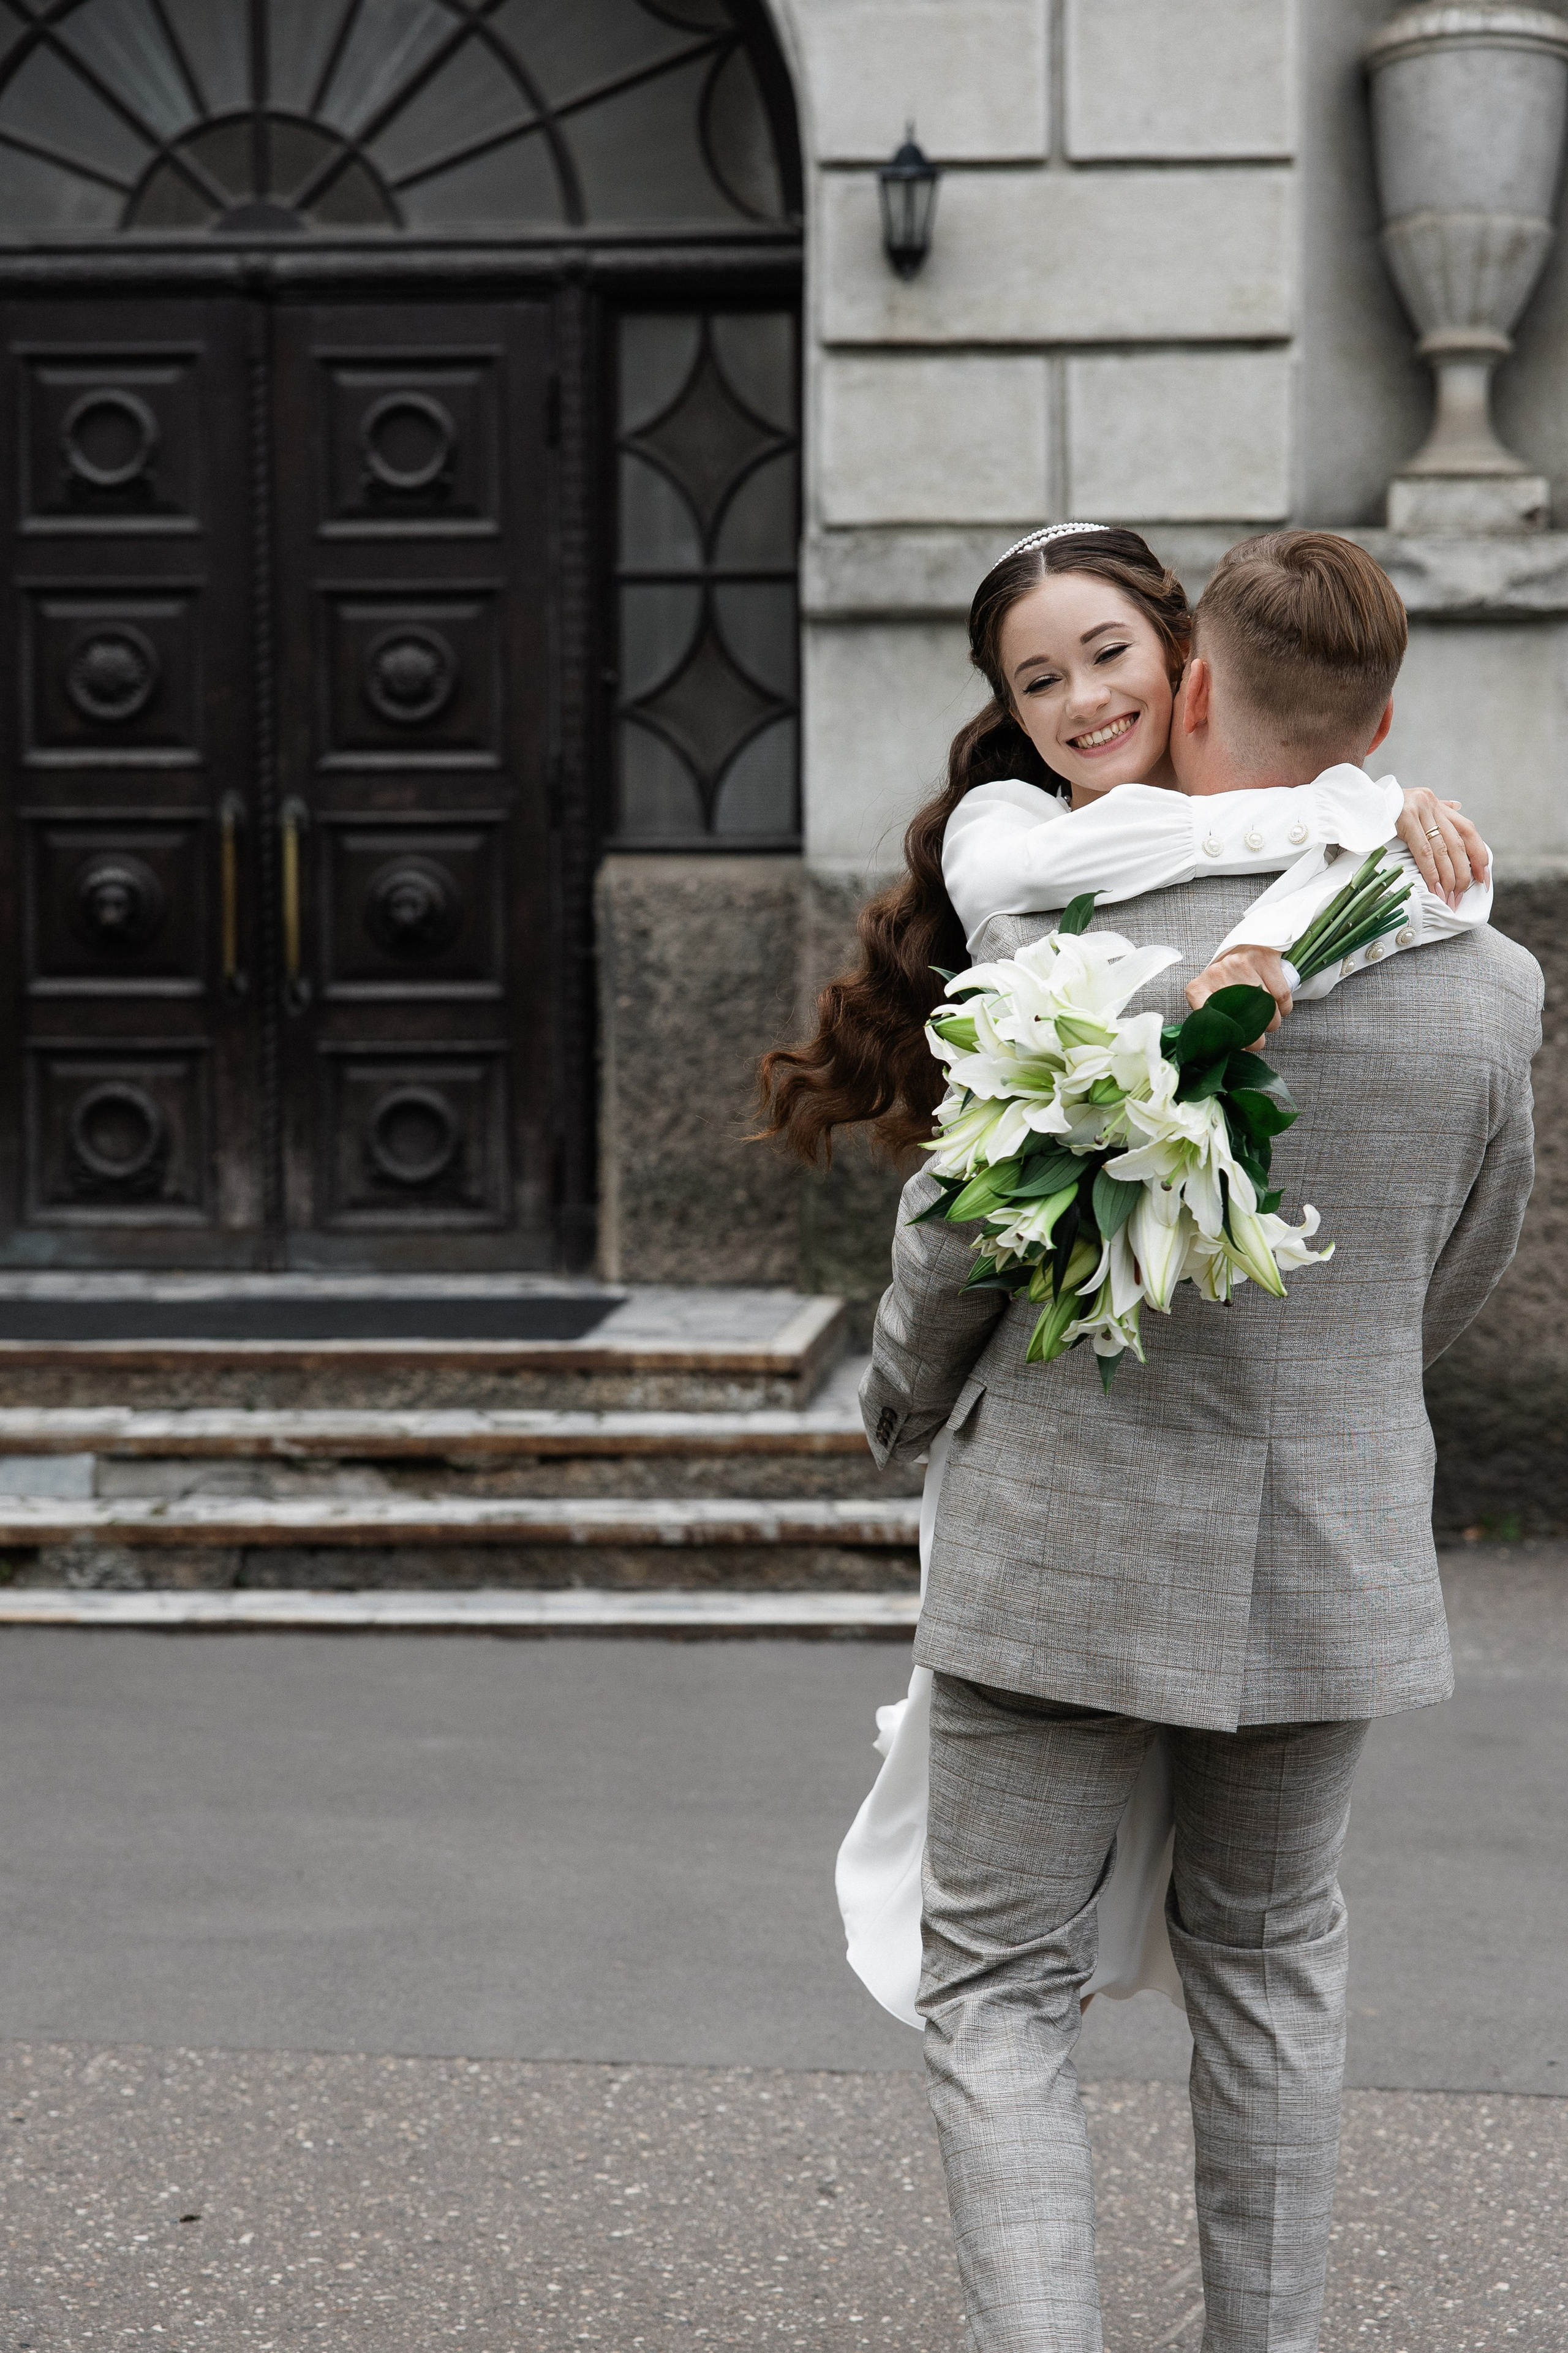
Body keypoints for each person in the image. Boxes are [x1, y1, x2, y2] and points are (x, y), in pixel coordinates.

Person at [760, 529, 1541, 2352]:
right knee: (1271, 1968)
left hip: (1060, 1542)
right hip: (1328, 1540)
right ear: (1386, 722)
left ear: (1191, 685)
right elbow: (1461, 1271)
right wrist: (1330, 1396)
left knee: (1003, 1991)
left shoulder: (1070, 936)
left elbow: (953, 1236)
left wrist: (897, 1397)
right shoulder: (1487, 977)